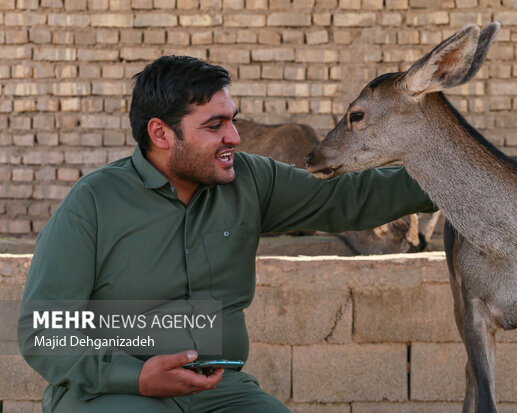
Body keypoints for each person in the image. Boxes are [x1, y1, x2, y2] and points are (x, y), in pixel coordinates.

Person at [18, 55, 436, 412]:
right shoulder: (92, 202)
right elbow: (43, 330)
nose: (234, 137)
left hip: (219, 392)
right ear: (161, 134)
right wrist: (137, 375)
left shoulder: (250, 180)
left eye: (232, 121)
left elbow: (351, 196)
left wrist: (468, 176)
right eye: (215, 125)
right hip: (113, 392)